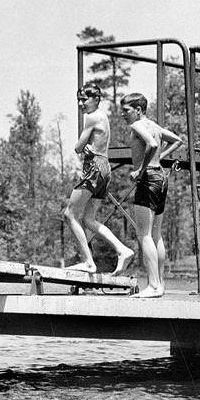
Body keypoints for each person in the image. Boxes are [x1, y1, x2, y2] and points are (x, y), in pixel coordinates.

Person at [63, 84, 135, 274]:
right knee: (88, 219)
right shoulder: (103, 117)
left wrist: (82, 147)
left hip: (94, 167)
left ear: (96, 99)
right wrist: (88, 147)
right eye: (78, 99)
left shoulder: (92, 117)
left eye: (84, 99)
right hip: (104, 167)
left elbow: (78, 147)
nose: (80, 103)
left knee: (69, 214)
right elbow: (96, 143)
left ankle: (88, 262)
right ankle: (123, 250)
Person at [121, 93, 183, 298]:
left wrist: (140, 169)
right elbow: (177, 140)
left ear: (138, 110)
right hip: (161, 177)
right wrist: (160, 159)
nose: (123, 114)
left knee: (144, 234)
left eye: (126, 110)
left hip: (148, 179)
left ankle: (154, 285)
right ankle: (160, 284)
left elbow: (153, 145)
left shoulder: (137, 126)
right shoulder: (154, 126)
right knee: (156, 235)